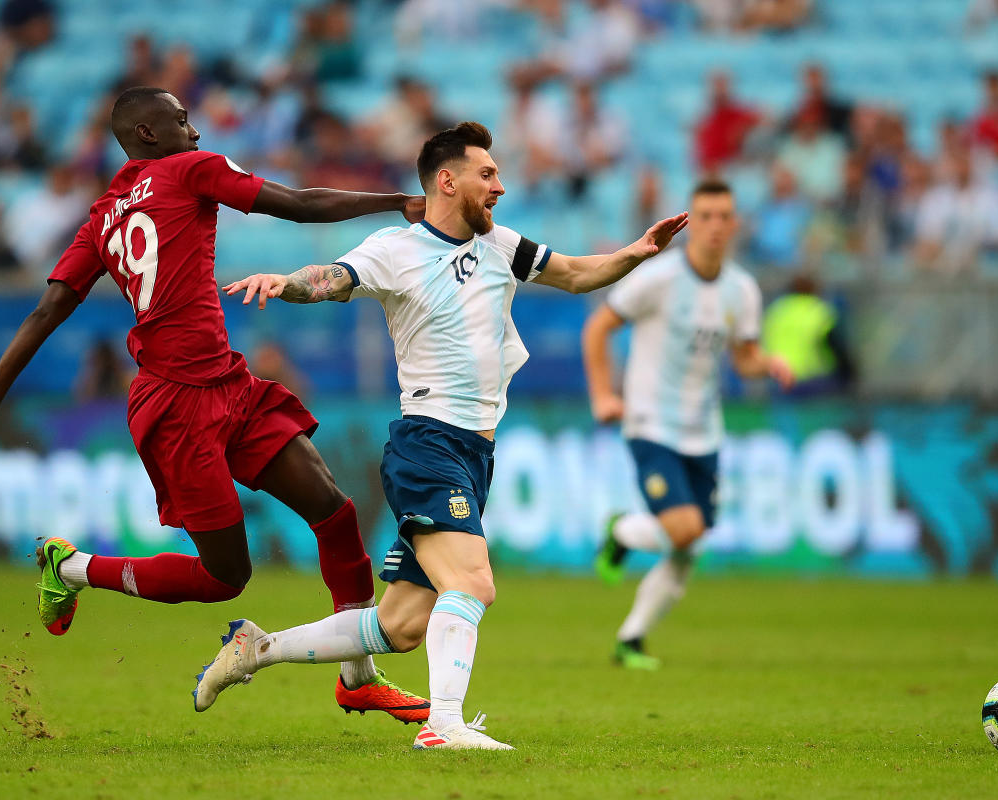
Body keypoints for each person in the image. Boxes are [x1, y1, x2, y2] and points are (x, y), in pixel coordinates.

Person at [0, 86, 429, 723]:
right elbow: (298, 204)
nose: (194, 132)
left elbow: (48, 308)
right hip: (177, 406)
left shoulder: (103, 215)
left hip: (227, 385)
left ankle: (356, 678)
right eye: (180, 120)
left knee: (334, 511)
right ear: (148, 135)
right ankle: (74, 566)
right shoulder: (190, 170)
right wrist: (396, 202)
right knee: (225, 577)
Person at [197, 121, 688, 750]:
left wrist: (635, 252)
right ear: (447, 180)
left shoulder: (502, 245)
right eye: (488, 175)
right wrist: (285, 282)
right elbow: (333, 279)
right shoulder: (395, 249)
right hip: (429, 442)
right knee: (473, 582)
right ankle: (444, 726)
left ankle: (257, 648)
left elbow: (572, 273)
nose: (501, 187)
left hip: (472, 452)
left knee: (400, 624)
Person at [582, 179, 793, 670]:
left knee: (688, 545)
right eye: (707, 216)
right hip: (651, 420)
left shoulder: (742, 289)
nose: (716, 225)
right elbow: (598, 328)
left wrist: (770, 365)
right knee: (684, 529)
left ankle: (630, 639)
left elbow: (744, 360)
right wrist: (603, 396)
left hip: (705, 431)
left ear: (734, 224)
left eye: (725, 216)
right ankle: (622, 531)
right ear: (692, 223)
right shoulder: (657, 279)